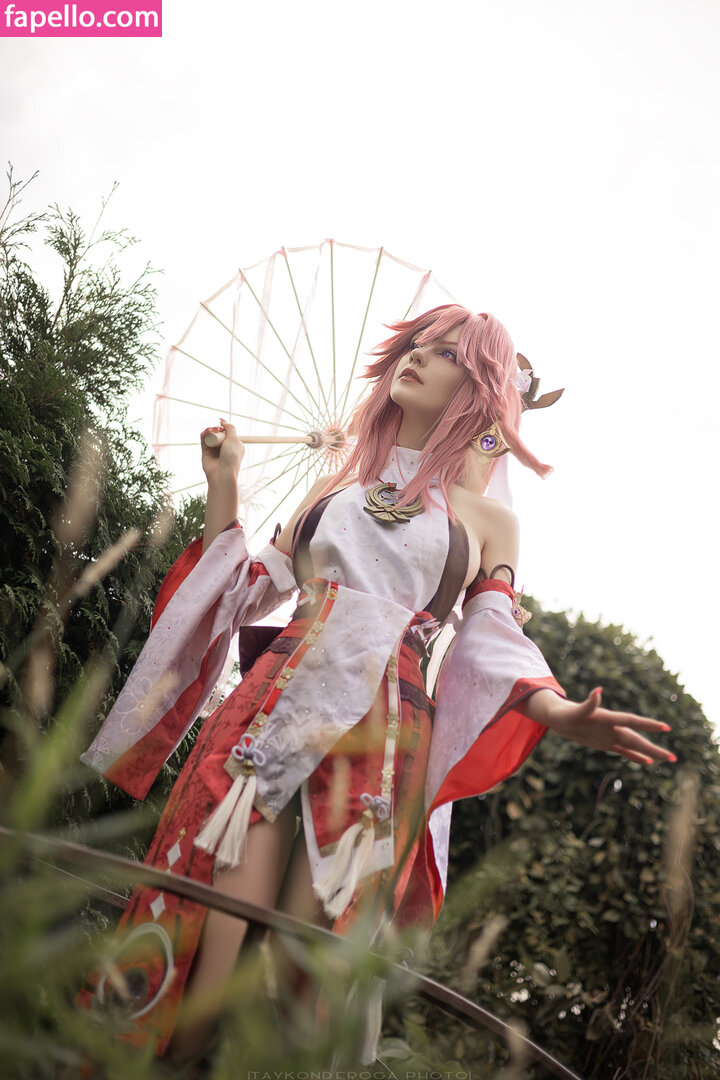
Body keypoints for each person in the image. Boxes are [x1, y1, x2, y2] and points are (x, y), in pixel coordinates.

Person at [77, 305, 675, 1064]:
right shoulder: (335, 488)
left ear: (480, 390)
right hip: (272, 708)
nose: (418, 356)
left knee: (309, 962)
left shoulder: (487, 520)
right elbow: (245, 593)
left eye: (447, 353)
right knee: (211, 913)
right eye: (417, 343)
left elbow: (491, 632)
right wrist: (223, 484)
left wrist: (553, 709)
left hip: (383, 737)